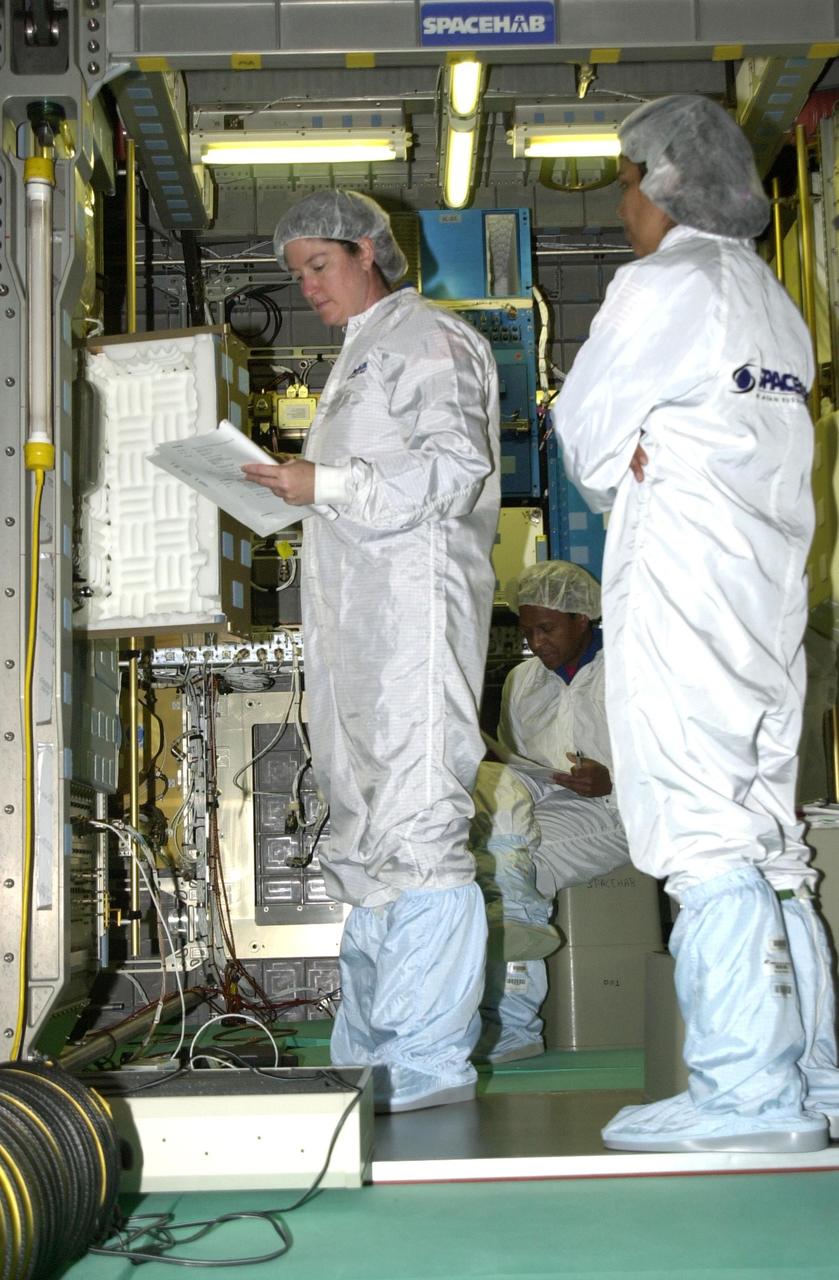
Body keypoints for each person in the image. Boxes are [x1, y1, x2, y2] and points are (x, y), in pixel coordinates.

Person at [554, 94, 839, 1152]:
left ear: (657, 184)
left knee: (699, 833)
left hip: (681, 589)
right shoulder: (771, 299)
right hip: (763, 602)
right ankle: (810, 1077)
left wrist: (627, 442)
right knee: (767, 838)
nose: (622, 201)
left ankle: (746, 1096)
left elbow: (585, 439)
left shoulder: (661, 284)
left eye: (625, 179)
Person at [242, 190, 500, 1113]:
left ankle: (426, 1062)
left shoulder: (423, 337)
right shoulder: (360, 357)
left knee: (420, 820)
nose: (306, 286)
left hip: (411, 613)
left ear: (368, 252)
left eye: (318, 265)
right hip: (357, 620)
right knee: (363, 822)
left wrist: (330, 480)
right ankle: (372, 1053)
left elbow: (455, 465)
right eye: (298, 273)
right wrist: (301, 490)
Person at [470, 561, 630, 1063]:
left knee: (508, 872)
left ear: (583, 618)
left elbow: (678, 758)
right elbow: (513, 761)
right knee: (488, 788)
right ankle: (515, 900)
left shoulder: (632, 669)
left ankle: (514, 1029)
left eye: (547, 629)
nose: (536, 643)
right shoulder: (523, 680)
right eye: (527, 630)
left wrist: (614, 778)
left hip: (618, 809)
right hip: (542, 797)